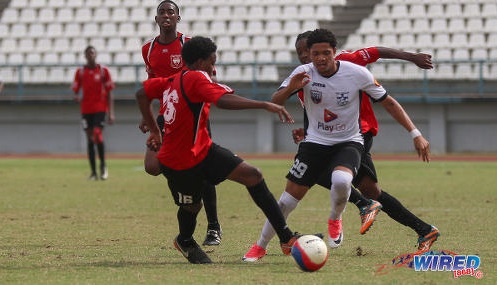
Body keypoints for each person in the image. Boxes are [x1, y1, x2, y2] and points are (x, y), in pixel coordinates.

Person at [243, 28, 433, 261]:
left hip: (355, 136)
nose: (311, 57)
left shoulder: (353, 69)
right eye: (306, 53)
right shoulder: (303, 73)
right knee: (363, 190)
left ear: (335, 52)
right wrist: (295, 93)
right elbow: (282, 101)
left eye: (322, 52)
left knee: (341, 180)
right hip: (316, 141)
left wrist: (415, 132)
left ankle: (343, 214)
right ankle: (418, 227)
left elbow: (384, 82)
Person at [135, 36, 301, 264]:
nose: (215, 67)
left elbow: (141, 93)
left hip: (203, 150)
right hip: (178, 161)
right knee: (192, 206)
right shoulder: (197, 78)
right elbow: (223, 101)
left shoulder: (173, 79)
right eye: (212, 61)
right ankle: (184, 240)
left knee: (252, 175)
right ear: (202, 62)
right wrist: (263, 104)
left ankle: (286, 237)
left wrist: (155, 129)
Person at [140, 0, 222, 246]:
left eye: (171, 12)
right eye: (162, 12)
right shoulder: (148, 48)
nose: (166, 15)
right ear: (156, 19)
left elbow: (208, 76)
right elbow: (151, 84)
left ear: (178, 18)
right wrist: (147, 116)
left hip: (194, 116)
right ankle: (185, 184)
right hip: (168, 116)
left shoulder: (189, 45)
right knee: (152, 166)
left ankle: (213, 227)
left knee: (204, 170)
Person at [72, 45, 115, 181]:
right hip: (86, 110)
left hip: (100, 108)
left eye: (93, 53)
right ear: (85, 55)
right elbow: (76, 89)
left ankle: (103, 166)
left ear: (96, 55)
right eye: (88, 53)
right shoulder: (80, 72)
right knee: (90, 140)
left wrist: (111, 113)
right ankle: (93, 173)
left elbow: (109, 93)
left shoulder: (103, 71)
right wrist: (77, 96)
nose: (91, 55)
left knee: (97, 134)